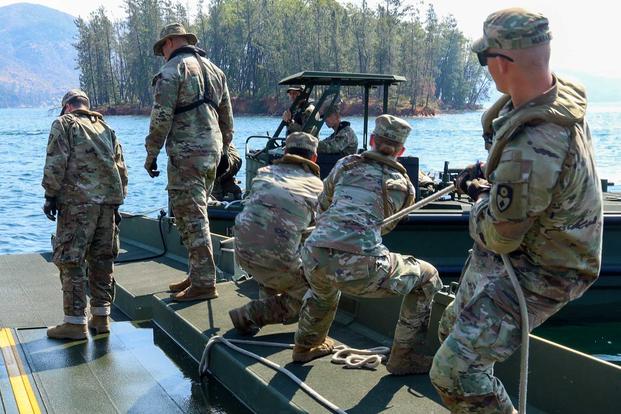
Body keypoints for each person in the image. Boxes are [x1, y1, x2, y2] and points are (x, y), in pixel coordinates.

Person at [429, 8, 603, 413]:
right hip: (525, 248)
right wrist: (492, 178)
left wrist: (478, 198)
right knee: (448, 329)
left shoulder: (533, 148)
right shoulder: (555, 94)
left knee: (453, 372)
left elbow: (499, 233)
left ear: (501, 63)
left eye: (483, 58)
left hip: (546, 269)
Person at [292, 115, 443, 375]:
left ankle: (306, 345)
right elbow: (385, 227)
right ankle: (404, 357)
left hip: (313, 254)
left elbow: (323, 206)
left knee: (324, 286)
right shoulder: (405, 186)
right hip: (361, 267)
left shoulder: (345, 164)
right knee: (428, 276)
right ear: (402, 151)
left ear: (372, 140)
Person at [144, 23, 234, 302]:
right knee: (192, 212)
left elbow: (161, 118)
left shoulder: (171, 71)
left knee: (191, 216)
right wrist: (225, 149)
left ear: (170, 42)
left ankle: (205, 282)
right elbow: (227, 119)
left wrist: (151, 153)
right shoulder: (215, 71)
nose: (162, 54)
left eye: (162, 49)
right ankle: (197, 273)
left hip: (186, 154)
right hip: (211, 152)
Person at [42, 89, 128, 339]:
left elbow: (56, 161)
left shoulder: (64, 123)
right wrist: (116, 202)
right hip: (108, 205)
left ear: (68, 106)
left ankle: (74, 323)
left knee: (71, 260)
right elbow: (121, 168)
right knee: (102, 259)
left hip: (78, 204)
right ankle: (101, 319)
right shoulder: (107, 129)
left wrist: (50, 195)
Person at [229, 132, 323, 335]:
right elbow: (318, 235)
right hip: (274, 261)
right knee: (320, 296)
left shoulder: (264, 173)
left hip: (243, 255)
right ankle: (252, 314)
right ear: (314, 158)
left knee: (274, 242)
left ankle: (267, 298)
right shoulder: (317, 186)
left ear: (286, 152)